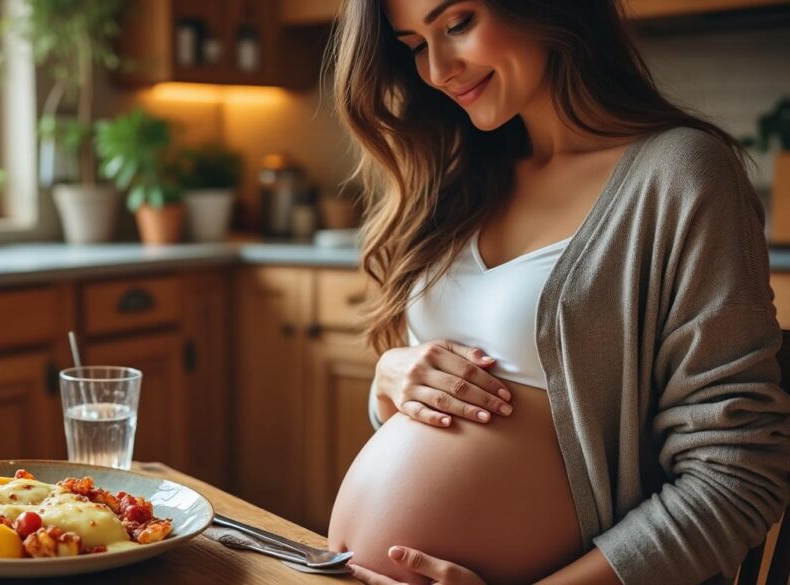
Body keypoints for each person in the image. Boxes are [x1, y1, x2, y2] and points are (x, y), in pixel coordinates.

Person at [324, 1, 790, 584]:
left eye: (458, 24)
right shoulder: (456, 175)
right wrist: (390, 381)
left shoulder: (681, 174)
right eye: (415, 45)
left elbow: (738, 477)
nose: (438, 69)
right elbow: (443, 424)